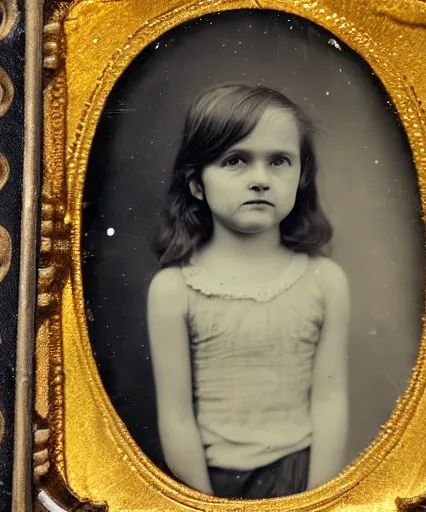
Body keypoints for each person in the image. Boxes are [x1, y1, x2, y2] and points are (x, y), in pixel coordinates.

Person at [147, 83, 350, 499]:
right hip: (210, 481)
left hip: (298, 475)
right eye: (235, 160)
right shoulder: (174, 290)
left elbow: (330, 401)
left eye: (279, 161)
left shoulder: (325, 282)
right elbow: (176, 417)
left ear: (301, 175)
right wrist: (206, 504)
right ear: (196, 184)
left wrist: (313, 501)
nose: (260, 179)